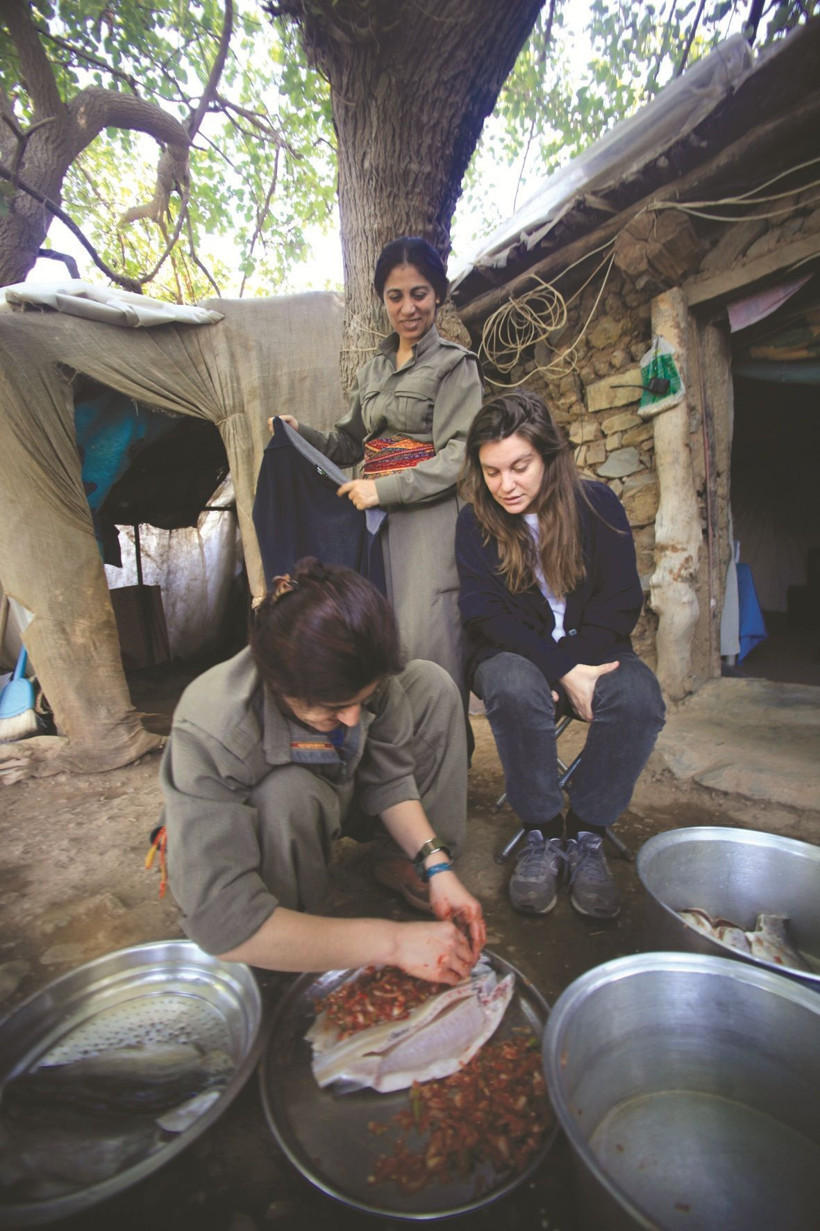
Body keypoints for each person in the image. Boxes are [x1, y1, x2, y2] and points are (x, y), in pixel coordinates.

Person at [159, 558, 485, 983]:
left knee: (430, 683)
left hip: (346, 790)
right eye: (333, 708)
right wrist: (393, 942)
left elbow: (390, 778)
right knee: (288, 792)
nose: (354, 719)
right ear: (279, 685)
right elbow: (222, 922)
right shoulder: (213, 725)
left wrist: (435, 864)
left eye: (362, 699)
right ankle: (290, 933)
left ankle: (398, 862)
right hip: (286, 814)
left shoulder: (361, 669)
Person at [456, 391, 665, 920]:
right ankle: (544, 833)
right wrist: (560, 670)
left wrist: (575, 663)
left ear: (549, 456)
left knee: (639, 698)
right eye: (492, 471)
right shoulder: (475, 522)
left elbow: (622, 601)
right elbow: (485, 614)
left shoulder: (597, 505)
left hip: (598, 647)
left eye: (520, 466)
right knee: (512, 686)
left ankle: (588, 836)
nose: (506, 485)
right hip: (510, 651)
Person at [269, 236, 482, 699]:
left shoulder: (455, 366)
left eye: (419, 293)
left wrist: (382, 491)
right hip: (371, 526)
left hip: (426, 523)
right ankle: (394, 762)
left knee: (430, 645)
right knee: (378, 640)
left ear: (438, 294)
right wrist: (299, 432)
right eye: (395, 296)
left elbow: (459, 456)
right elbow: (348, 442)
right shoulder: (372, 373)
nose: (408, 307)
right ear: (382, 299)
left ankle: (446, 761)